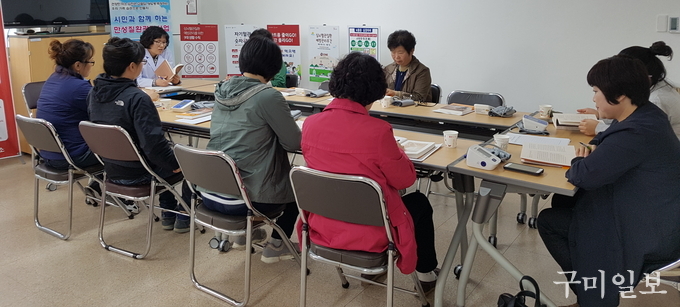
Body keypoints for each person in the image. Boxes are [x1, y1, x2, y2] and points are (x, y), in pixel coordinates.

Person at [537, 55, 680, 307]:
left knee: (550, 221)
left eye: (596, 91)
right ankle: (590, 293)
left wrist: (578, 160)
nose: (594, 99)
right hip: (653, 214)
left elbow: (583, 175)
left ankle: (596, 297)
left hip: (644, 230)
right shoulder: (647, 115)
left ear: (620, 95)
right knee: (563, 203)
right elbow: (605, 145)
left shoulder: (636, 132)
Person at [301, 52, 439, 292]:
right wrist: (398, 152)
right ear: (376, 89)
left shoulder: (310, 125)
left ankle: (371, 270)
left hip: (322, 226)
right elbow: (405, 180)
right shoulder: (378, 131)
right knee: (419, 202)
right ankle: (426, 275)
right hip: (373, 233)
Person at [203, 35, 301, 263]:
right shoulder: (268, 96)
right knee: (298, 186)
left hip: (210, 193)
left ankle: (243, 236)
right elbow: (294, 143)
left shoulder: (222, 90)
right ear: (274, 66)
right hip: (246, 201)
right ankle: (276, 246)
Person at [87, 37, 190, 233]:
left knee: (164, 153)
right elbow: (153, 146)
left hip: (110, 170)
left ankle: (168, 213)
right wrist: (175, 163)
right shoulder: (137, 99)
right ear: (132, 66)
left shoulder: (94, 93)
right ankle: (182, 217)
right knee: (187, 157)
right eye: (142, 62)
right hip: (140, 174)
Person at [578, 41, 680, 139]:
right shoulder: (657, 86)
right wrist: (600, 115)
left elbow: (638, 132)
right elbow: (628, 118)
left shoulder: (656, 100)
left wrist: (598, 128)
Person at [36, 39, 100, 170]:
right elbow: (106, 111)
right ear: (78, 65)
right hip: (72, 156)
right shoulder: (79, 87)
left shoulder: (53, 78)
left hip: (48, 153)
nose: (91, 65)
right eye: (90, 61)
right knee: (123, 146)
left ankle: (100, 181)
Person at [383, 30, 432, 103]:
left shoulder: (422, 71)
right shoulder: (388, 69)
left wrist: (396, 94)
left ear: (411, 51)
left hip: (413, 109)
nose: (396, 57)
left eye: (400, 52)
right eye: (393, 52)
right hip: (390, 108)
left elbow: (420, 98)